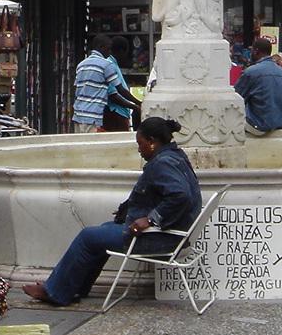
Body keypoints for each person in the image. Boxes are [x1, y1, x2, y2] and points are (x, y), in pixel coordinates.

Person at [22, 117, 200, 305]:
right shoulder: (176, 156)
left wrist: (150, 220)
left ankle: (55, 292)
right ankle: (73, 289)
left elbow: (180, 196)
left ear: (152, 142)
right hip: (173, 237)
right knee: (102, 231)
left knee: (87, 237)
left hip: (162, 240)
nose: (139, 150)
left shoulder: (163, 163)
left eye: (140, 144)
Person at [73, 34, 141, 133]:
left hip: (78, 115)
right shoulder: (106, 65)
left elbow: (77, 89)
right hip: (93, 116)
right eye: (108, 49)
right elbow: (120, 90)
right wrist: (138, 104)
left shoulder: (81, 65)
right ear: (101, 47)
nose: (110, 53)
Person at [234, 37, 282, 136]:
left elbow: (236, 98)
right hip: (281, 123)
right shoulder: (281, 72)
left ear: (256, 51)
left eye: (252, 50)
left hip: (259, 125)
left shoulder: (251, 72)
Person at [102, 36, 137, 131]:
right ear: (122, 51)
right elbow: (115, 93)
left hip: (119, 111)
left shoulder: (113, 63)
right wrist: (136, 105)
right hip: (115, 112)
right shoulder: (109, 64)